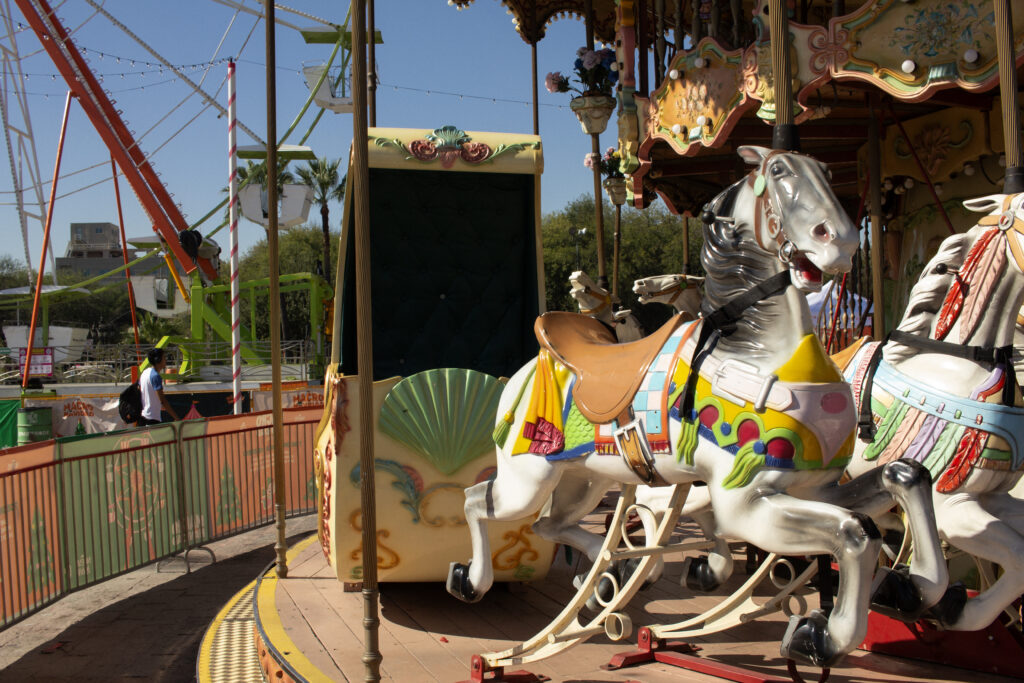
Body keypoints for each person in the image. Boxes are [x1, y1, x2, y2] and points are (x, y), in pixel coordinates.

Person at [139, 348, 180, 426]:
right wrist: (176, 418)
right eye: (164, 357)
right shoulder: (155, 376)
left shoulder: (144, 373)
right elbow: (162, 400)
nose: (165, 360)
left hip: (143, 417)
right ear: (158, 360)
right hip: (152, 419)